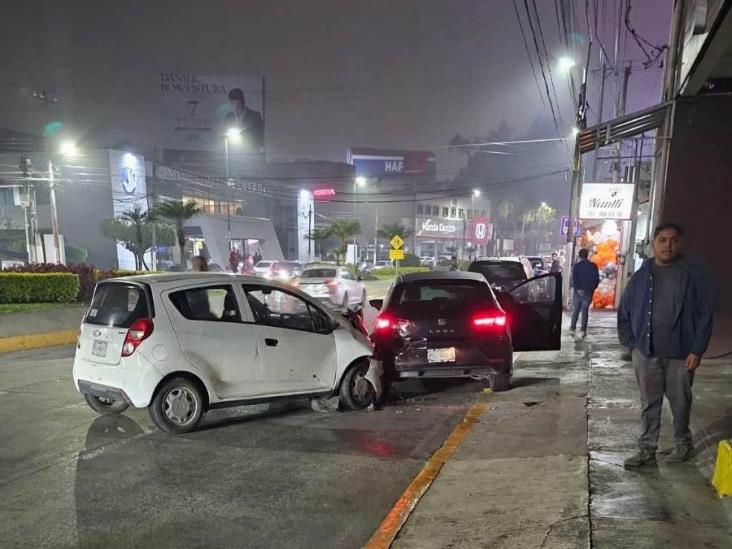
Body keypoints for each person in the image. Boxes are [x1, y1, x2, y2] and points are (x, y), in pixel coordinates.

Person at [618, 223, 714, 468]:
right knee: (649, 403)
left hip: (681, 354)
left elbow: (705, 313)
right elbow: (624, 312)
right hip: (646, 353)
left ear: (680, 243)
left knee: (681, 402)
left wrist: (697, 350)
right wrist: (633, 346)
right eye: (662, 240)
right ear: (654, 243)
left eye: (673, 240)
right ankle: (647, 449)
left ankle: (683, 443)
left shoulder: (693, 273)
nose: (668, 245)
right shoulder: (641, 276)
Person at [570, 248, 600, 338]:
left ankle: (572, 328)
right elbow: (596, 280)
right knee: (585, 311)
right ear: (587, 256)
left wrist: (578, 289)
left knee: (576, 310)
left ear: (579, 256)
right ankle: (583, 330)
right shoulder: (593, 266)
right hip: (588, 292)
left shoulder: (576, 266)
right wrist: (591, 289)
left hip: (577, 292)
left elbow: (574, 279)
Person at [225, 88, 264, 152]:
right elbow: (225, 135)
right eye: (232, 103)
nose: (235, 106)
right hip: (232, 153)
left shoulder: (254, 116)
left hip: (250, 152)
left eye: (237, 104)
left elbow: (259, 137)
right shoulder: (228, 117)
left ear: (242, 101)